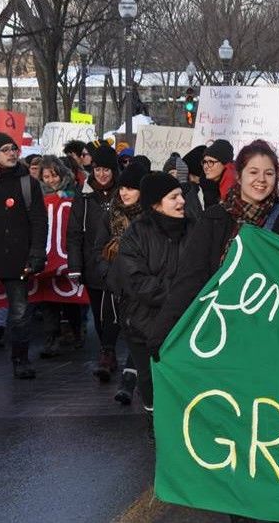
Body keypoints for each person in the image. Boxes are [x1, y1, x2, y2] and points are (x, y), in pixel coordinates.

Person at [150, 140, 279, 357]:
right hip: (218, 328)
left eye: (269, 173)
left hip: (268, 332)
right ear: (239, 175)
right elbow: (191, 279)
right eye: (253, 172)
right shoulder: (214, 219)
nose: (261, 180)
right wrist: (163, 334)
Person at [107, 171, 194, 439]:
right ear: (156, 203)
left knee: (182, 376)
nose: (181, 202)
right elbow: (136, 281)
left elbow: (202, 270)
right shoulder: (136, 234)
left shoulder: (194, 229)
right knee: (149, 378)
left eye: (181, 196)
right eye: (174, 197)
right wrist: (181, 294)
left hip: (186, 320)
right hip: (143, 321)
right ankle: (154, 420)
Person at [0, 132, 47, 378]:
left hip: (17, 259)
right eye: (6, 149)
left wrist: (37, 253)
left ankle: (20, 360)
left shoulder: (27, 183)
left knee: (19, 313)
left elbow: (40, 221)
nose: (12, 153)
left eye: (14, 149)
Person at [93, 161, 148, 403]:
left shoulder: (151, 216)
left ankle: (128, 381)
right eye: (122, 188)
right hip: (116, 285)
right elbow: (98, 247)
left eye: (131, 188)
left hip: (143, 286)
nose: (124, 193)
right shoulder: (111, 214)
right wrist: (107, 272)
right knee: (115, 325)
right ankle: (110, 359)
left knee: (139, 333)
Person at [66, 145, 120, 373]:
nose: (102, 174)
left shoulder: (123, 192)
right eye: (98, 169)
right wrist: (75, 267)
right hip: (92, 262)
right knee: (98, 312)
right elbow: (74, 232)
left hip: (120, 263)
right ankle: (107, 350)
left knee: (114, 310)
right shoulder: (84, 195)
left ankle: (108, 351)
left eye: (107, 169)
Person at [36, 156, 83, 356]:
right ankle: (51, 339)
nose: (50, 180)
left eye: (54, 175)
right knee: (48, 299)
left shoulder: (73, 194)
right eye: (46, 176)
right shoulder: (36, 196)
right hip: (47, 254)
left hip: (66, 252)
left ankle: (75, 331)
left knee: (69, 298)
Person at [199, 139, 236, 209]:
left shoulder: (233, 186)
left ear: (224, 164)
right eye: (204, 162)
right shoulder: (206, 183)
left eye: (211, 162)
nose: (206, 166)